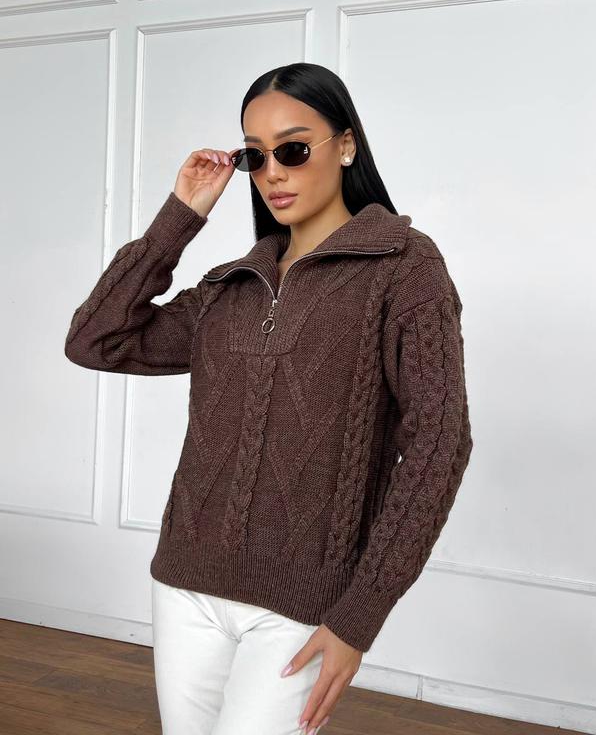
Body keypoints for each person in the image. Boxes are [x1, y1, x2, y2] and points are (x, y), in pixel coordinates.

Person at [64, 62, 474, 735]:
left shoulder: (404, 268)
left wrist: (360, 615)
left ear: (345, 145)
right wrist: (179, 218)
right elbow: (95, 341)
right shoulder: (230, 287)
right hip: (185, 585)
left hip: (301, 604)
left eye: (294, 149)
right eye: (256, 156)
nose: (273, 173)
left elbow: (439, 444)